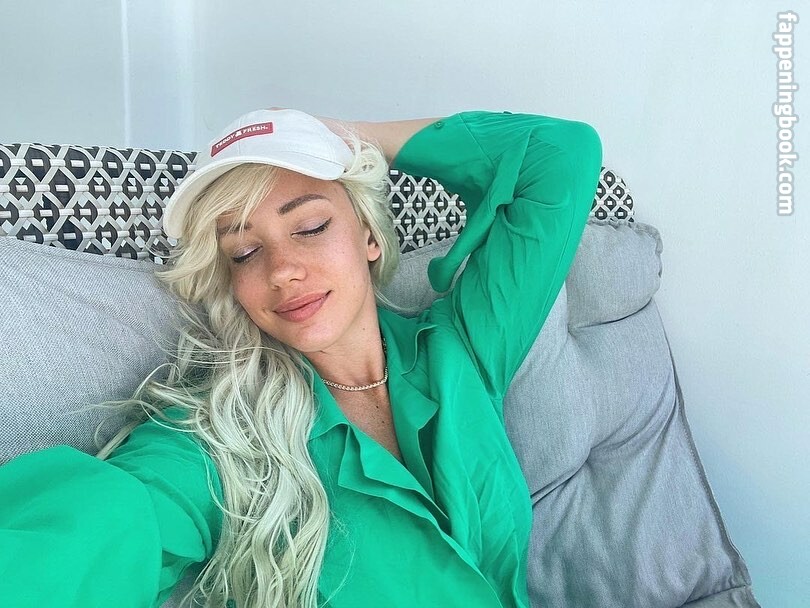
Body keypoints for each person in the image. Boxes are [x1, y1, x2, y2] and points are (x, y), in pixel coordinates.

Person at [0, 107, 602, 607]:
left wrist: (347, 139)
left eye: (310, 226)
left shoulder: (462, 347)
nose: (282, 270)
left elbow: (560, 155)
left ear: (370, 235)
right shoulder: (221, 435)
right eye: (243, 252)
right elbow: (110, 522)